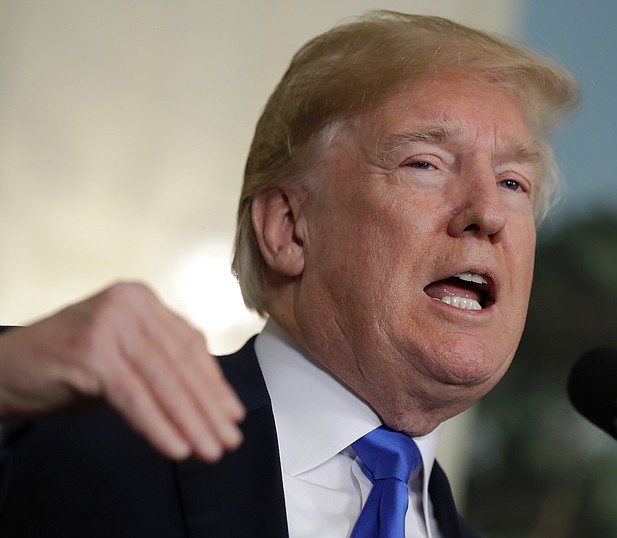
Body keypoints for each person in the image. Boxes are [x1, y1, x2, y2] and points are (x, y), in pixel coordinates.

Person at [0, 10, 578, 537]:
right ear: (288, 228)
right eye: (425, 163)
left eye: (513, 183)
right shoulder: (66, 439)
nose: (488, 213)